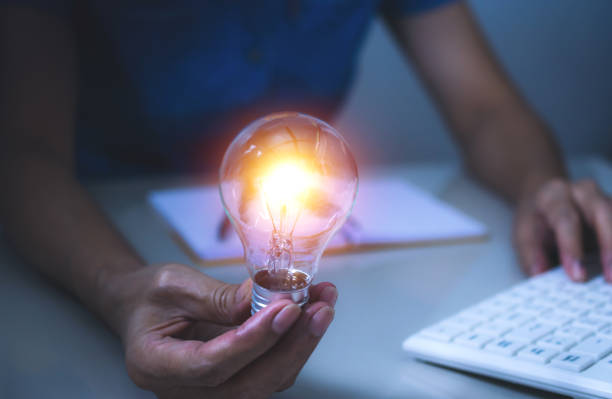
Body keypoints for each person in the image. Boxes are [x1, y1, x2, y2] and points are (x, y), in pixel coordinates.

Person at [0, 0, 610, 397]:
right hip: (92, 233)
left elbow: (485, 109)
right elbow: (23, 153)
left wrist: (541, 183)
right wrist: (120, 290)